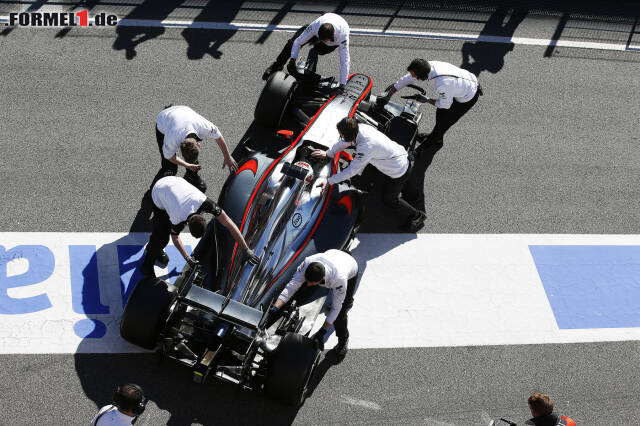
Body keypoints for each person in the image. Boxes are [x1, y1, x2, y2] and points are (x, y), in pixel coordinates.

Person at [379, 59, 482, 207]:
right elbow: (408, 78)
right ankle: (436, 139)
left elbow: (445, 104)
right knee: (440, 117)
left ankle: (425, 147)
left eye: (415, 76)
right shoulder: (427, 66)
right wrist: (390, 93)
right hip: (459, 86)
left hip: (467, 97)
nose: (413, 77)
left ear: (423, 75)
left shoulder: (442, 83)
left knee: (443, 123)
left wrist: (426, 100)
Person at [313, 117, 427, 231]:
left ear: (349, 135)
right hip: (400, 155)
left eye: (341, 135)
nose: (341, 137)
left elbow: (352, 170)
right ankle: (414, 196)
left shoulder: (366, 146)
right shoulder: (360, 128)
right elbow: (344, 142)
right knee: (403, 181)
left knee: (389, 199)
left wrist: (329, 181)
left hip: (397, 170)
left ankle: (417, 216)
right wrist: (328, 153)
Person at [140, 176, 258, 277]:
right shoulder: (177, 218)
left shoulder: (205, 202)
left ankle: (155, 248)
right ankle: (147, 264)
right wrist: (187, 258)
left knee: (162, 235)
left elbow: (228, 223)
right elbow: (175, 238)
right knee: (162, 236)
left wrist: (245, 249)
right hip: (159, 191)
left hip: (174, 184)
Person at [271, 249, 358, 357]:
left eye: (312, 282)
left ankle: (344, 340)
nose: (308, 284)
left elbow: (336, 307)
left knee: (340, 314)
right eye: (307, 280)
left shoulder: (339, 279)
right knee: (300, 287)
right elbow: (291, 286)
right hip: (334, 254)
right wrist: (275, 307)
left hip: (350, 266)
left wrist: (323, 331)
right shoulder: (307, 262)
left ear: (323, 278)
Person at [150, 105, 238, 193]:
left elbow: (218, 136)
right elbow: (169, 157)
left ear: (198, 145)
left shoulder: (204, 127)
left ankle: (190, 176)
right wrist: (186, 165)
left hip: (182, 112)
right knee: (170, 167)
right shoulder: (171, 139)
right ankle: (155, 191)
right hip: (163, 119)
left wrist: (227, 156)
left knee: (192, 156)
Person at [262, 12, 350, 86]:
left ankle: (310, 74)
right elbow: (298, 42)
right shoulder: (315, 26)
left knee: (317, 50)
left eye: (324, 40)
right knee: (291, 43)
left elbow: (345, 61)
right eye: (320, 39)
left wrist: (343, 84)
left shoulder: (342, 37)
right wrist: (293, 59)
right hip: (320, 27)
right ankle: (277, 65)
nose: (321, 41)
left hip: (334, 37)